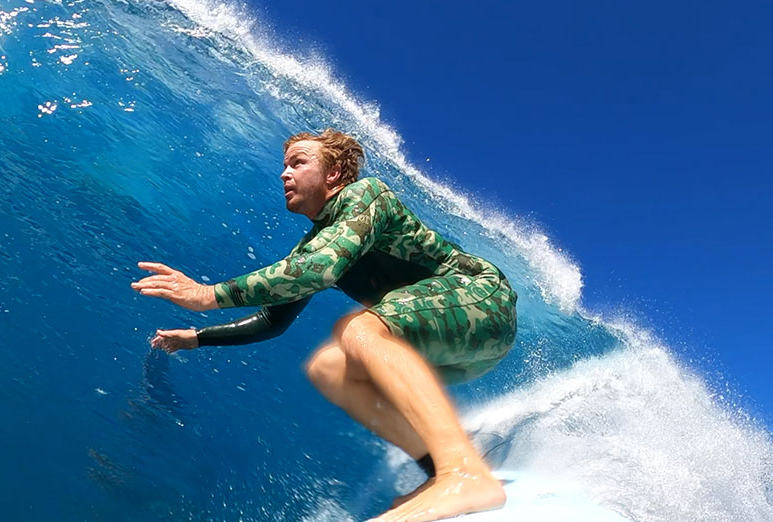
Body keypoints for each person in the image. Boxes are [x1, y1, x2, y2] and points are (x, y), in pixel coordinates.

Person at [131, 128, 517, 522]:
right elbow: (271, 319)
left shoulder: (367, 196)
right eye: (284, 165)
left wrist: (207, 295)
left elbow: (322, 268)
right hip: (455, 348)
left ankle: (463, 474)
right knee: (329, 368)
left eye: (298, 163)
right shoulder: (314, 243)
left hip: (484, 300)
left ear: (332, 173)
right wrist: (197, 338)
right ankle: (441, 470)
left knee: (358, 330)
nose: (284, 173)